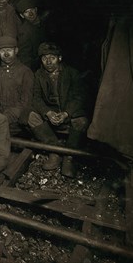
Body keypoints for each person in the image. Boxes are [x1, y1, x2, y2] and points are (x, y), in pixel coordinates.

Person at [27, 42, 89, 177]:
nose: (48, 62)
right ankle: (54, 152)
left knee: (82, 120)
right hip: (51, 113)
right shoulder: (39, 74)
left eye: (52, 58)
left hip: (67, 112)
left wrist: (66, 113)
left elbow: (79, 97)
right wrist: (48, 113)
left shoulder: (72, 73)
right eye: (44, 58)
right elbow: (36, 98)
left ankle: (69, 156)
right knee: (31, 116)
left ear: (59, 58)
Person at [0, 36, 34, 136]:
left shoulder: (25, 72)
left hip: (17, 122)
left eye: (9, 50)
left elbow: (26, 102)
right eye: (2, 51)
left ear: (16, 51)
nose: (6, 54)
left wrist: (6, 117)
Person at [16, 0, 48, 70]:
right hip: (37, 67)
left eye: (31, 10)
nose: (30, 14)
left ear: (36, 10)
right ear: (22, 16)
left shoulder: (45, 23)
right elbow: (25, 56)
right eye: (26, 12)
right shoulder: (24, 32)